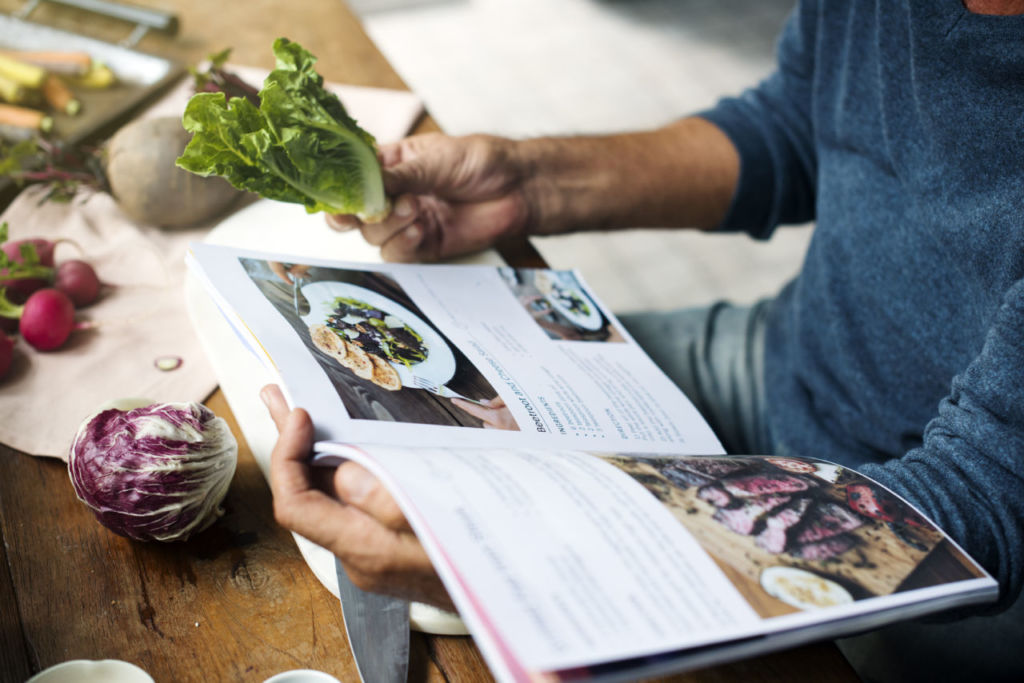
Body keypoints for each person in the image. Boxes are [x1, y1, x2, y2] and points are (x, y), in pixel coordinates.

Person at [263, 0, 1024, 679]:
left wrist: (539, 560)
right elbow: (802, 122)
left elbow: (985, 494)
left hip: (946, 541)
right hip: (783, 359)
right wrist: (522, 184)